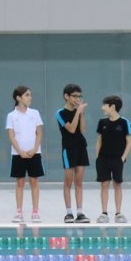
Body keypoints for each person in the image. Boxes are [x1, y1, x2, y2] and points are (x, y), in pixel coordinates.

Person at [4, 86, 44, 224]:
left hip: (34, 153)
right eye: (27, 95)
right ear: (18, 98)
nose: (30, 97)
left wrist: (34, 148)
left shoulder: (35, 113)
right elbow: (11, 135)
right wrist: (20, 151)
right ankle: (19, 212)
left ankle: (35, 212)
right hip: (18, 154)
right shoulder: (11, 115)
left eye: (30, 95)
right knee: (20, 182)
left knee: (34, 181)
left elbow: (39, 133)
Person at [94, 95, 131, 223]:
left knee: (117, 184)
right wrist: (97, 157)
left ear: (112, 107)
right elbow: (99, 141)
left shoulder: (124, 122)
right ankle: (104, 213)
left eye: (104, 105)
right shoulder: (102, 122)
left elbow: (129, 142)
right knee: (104, 184)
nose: (102, 108)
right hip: (103, 159)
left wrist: (122, 158)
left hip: (117, 159)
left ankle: (118, 213)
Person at [56, 85, 89, 224]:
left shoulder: (78, 111)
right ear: (66, 96)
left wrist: (81, 113)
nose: (77, 99)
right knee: (68, 181)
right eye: (74, 96)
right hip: (68, 149)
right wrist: (78, 112)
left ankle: (80, 212)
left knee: (79, 181)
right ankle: (69, 213)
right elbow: (71, 129)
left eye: (79, 96)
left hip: (81, 147)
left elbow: (82, 129)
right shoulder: (60, 113)